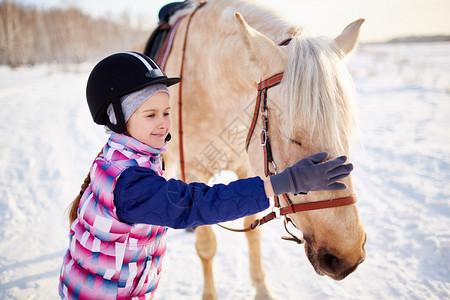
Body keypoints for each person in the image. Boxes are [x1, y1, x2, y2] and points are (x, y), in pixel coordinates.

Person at [58, 52, 354, 299]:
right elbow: (193, 205)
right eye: (150, 115)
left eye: (166, 112)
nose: (162, 123)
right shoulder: (130, 182)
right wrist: (283, 183)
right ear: (116, 118)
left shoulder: (121, 155)